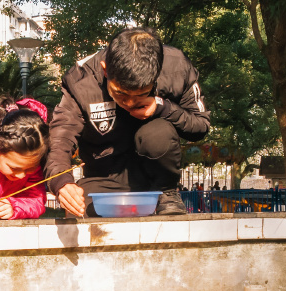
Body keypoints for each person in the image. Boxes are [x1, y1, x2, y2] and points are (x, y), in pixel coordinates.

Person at [47, 27, 209, 218]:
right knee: (78, 212)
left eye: (140, 95)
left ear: (156, 76)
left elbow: (200, 125)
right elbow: (60, 137)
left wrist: (163, 107)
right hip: (104, 178)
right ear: (106, 70)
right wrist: (62, 182)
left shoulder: (177, 67)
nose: (130, 103)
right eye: (121, 93)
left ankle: (166, 193)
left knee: (157, 133)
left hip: (155, 179)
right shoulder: (81, 79)